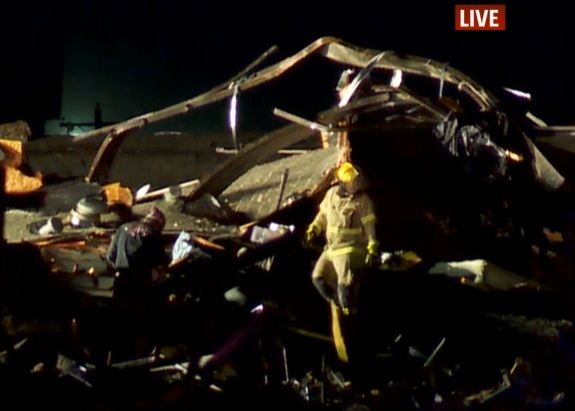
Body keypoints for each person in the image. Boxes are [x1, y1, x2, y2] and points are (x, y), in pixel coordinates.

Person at [305, 162, 379, 313]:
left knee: (345, 284)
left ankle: (349, 309)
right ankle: (338, 303)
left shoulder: (363, 201)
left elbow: (370, 226)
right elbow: (323, 216)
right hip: (331, 249)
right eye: (353, 182)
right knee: (318, 277)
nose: (356, 185)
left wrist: (372, 246)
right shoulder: (331, 195)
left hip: (351, 248)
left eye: (357, 181)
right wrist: (314, 228)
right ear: (343, 183)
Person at [106, 206, 169, 299]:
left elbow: (110, 256)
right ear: (158, 224)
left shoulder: (122, 228)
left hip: (121, 282)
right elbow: (161, 261)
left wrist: (118, 270)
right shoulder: (153, 233)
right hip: (140, 283)